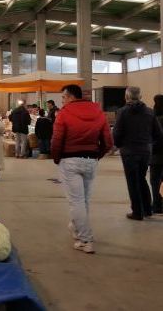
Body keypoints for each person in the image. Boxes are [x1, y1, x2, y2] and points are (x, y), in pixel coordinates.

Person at [51, 84, 113, 254]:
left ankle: (86, 239)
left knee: (76, 201)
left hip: (70, 161)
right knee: (84, 200)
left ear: (71, 97)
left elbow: (57, 139)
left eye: (63, 97)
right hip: (90, 160)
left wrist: (56, 158)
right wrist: (97, 155)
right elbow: (108, 141)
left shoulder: (64, 113)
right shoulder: (98, 112)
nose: (62, 101)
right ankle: (76, 227)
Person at [113, 87, 163, 221]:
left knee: (132, 182)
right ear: (140, 97)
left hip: (129, 152)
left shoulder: (122, 112)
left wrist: (119, 145)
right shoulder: (150, 112)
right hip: (145, 151)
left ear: (126, 97)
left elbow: (117, 133)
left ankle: (137, 212)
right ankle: (147, 209)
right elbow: (159, 134)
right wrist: (149, 145)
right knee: (141, 179)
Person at [150, 94, 163, 215]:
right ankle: (159, 206)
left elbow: (160, 139)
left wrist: (151, 150)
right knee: (161, 181)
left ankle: (158, 206)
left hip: (159, 156)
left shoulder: (159, 120)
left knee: (155, 181)